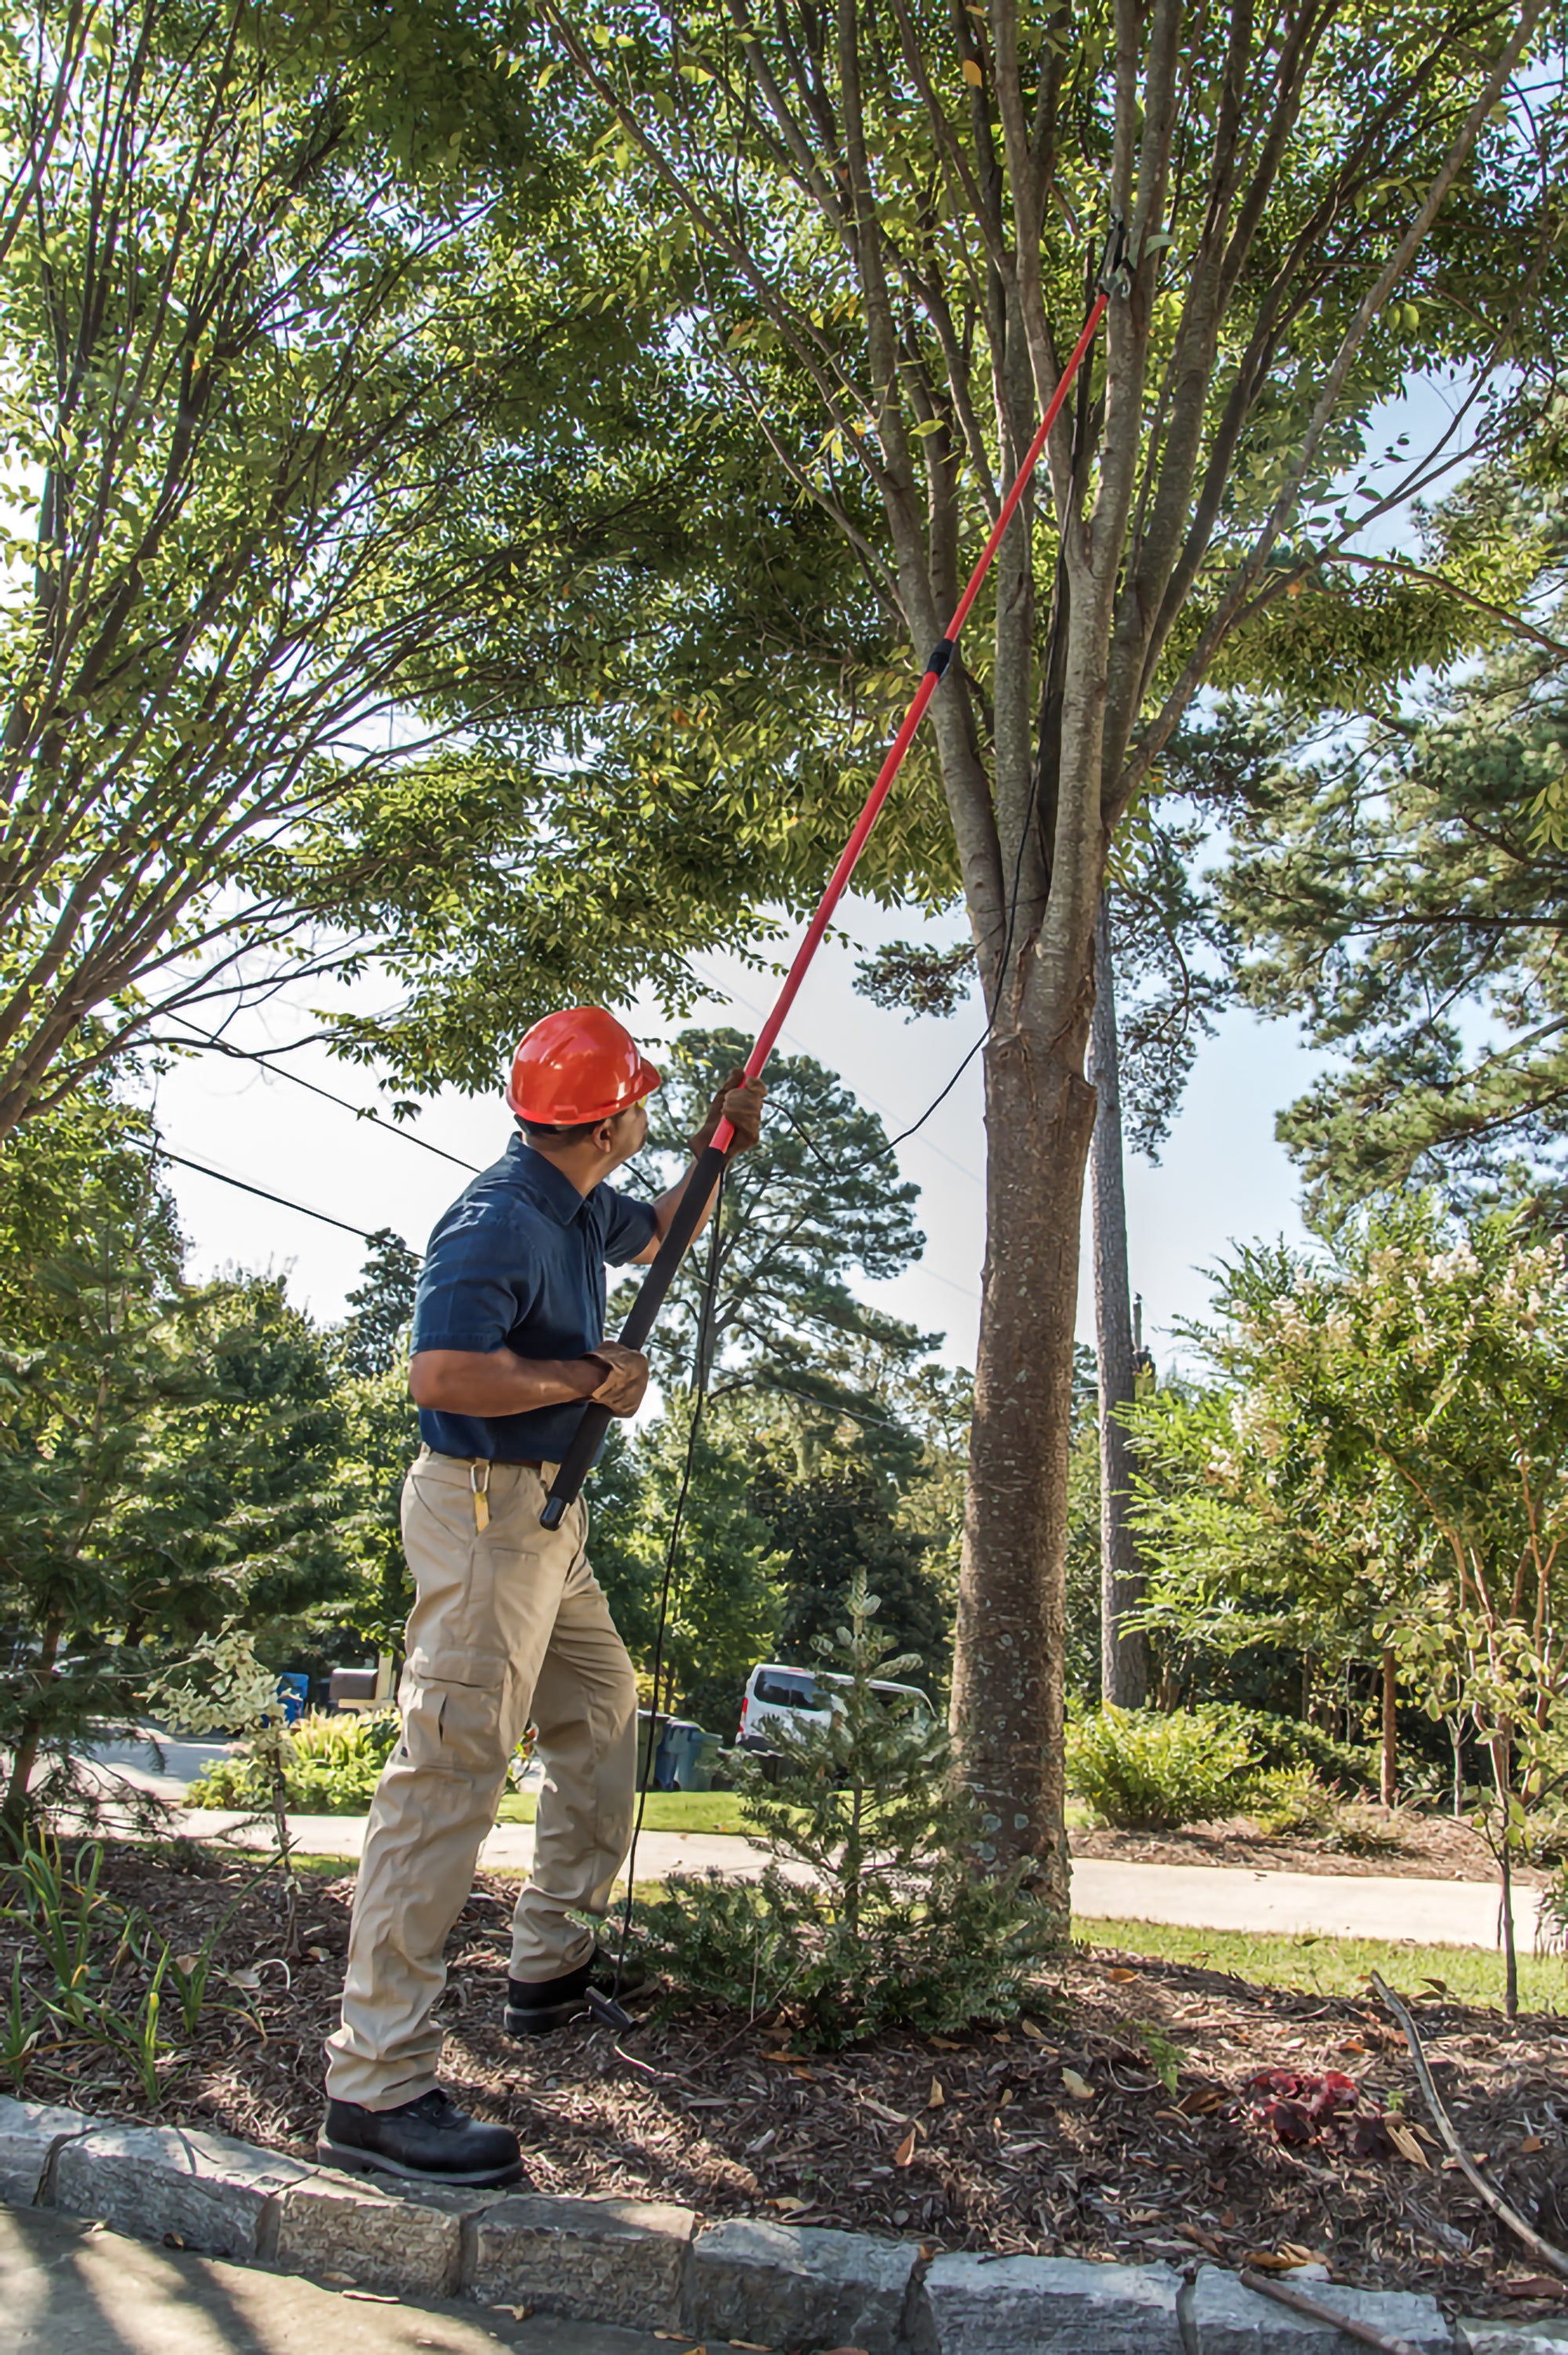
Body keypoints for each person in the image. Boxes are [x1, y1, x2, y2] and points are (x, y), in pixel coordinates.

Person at [320, 1007, 765, 2187]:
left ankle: (549, 1965)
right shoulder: (499, 1218)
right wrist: (584, 1375)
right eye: (647, 1104)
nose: (649, 1114)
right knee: (448, 1772)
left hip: (546, 1523)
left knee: (604, 1717)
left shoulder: (573, 1201)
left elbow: (658, 1233)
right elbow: (442, 1373)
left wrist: (715, 1150)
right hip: (483, 1512)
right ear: (607, 1119)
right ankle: (375, 2086)